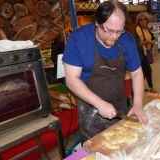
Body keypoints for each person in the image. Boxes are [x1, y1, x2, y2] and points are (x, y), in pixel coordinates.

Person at [62, 0, 149, 145]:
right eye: (109, 30)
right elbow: (72, 80)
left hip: (118, 104)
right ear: (97, 22)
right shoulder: (79, 39)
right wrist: (100, 104)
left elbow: (137, 73)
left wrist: (138, 104)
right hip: (89, 109)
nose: (114, 36)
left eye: (119, 31)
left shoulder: (127, 40)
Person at [133, 12, 157, 93]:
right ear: (138, 21)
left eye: (145, 19)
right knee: (147, 70)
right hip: (140, 54)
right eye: (141, 19)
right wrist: (147, 42)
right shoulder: (137, 30)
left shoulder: (147, 30)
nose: (143, 20)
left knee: (143, 70)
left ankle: (142, 87)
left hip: (146, 53)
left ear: (147, 21)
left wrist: (152, 42)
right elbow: (136, 43)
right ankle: (151, 87)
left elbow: (153, 38)